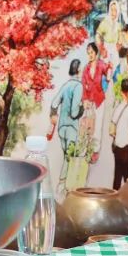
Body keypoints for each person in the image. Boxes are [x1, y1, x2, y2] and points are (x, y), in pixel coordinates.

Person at [49, 58, 84, 193]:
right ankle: (62, 185)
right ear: (78, 70)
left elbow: (54, 103)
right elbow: (74, 112)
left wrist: (53, 114)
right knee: (69, 158)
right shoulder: (78, 86)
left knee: (66, 157)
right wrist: (81, 109)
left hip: (61, 127)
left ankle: (63, 186)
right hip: (71, 128)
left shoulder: (66, 85)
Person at [110, 79, 128, 190]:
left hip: (117, 149)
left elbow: (111, 130)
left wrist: (118, 135)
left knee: (117, 179)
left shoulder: (118, 108)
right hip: (126, 149)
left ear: (122, 92)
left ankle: (113, 198)